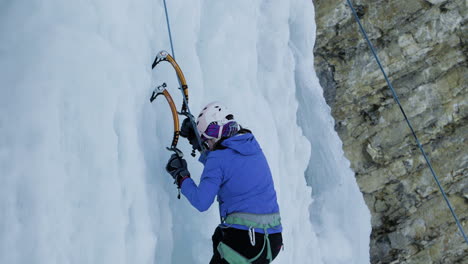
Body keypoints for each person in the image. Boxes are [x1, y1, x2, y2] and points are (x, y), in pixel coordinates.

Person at [166, 102, 283, 264]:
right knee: (219, 236)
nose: (207, 145)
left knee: (222, 237)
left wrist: (181, 176)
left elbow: (202, 201)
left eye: (207, 140)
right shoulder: (252, 146)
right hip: (273, 241)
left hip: (245, 242)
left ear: (215, 133)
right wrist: (200, 144)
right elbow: (228, 165)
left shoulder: (217, 158)